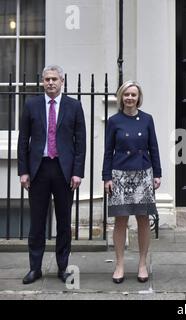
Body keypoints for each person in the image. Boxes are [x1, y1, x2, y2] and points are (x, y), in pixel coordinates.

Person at [18, 65, 87, 284]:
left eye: (54, 79)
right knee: (37, 221)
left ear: (62, 81)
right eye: (47, 79)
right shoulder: (31, 105)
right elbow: (23, 140)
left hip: (63, 170)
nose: (50, 83)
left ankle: (63, 267)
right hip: (38, 170)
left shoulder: (74, 106)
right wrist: (23, 171)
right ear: (42, 82)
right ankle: (35, 268)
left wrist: (77, 172)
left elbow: (81, 142)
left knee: (64, 221)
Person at [102, 80, 161, 284]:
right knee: (121, 221)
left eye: (133, 95)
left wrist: (157, 174)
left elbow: (154, 147)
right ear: (121, 97)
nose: (129, 98)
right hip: (120, 174)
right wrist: (106, 177)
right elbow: (108, 151)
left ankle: (142, 264)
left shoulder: (147, 119)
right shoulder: (114, 121)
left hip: (143, 174)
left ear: (138, 97)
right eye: (126, 94)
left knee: (143, 219)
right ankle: (119, 265)